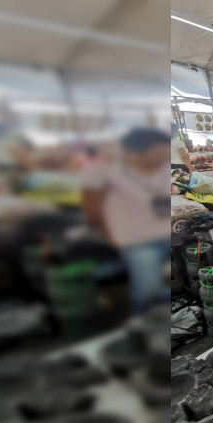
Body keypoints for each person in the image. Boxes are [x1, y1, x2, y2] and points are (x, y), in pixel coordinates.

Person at [81, 129, 171, 315]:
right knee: (148, 291)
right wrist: (107, 235)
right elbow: (91, 207)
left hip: (167, 235)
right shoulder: (106, 172)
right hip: (137, 241)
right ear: (136, 152)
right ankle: (144, 323)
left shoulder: (164, 169)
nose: (165, 155)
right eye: (160, 151)